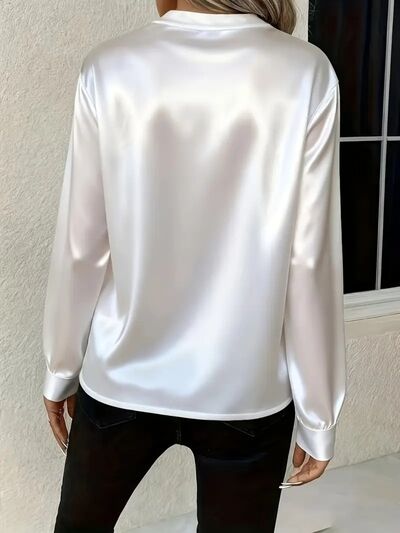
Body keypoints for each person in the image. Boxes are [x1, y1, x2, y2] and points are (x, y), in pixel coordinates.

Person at [42, 1, 347, 531]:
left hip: (122, 374)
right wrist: (318, 414)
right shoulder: (305, 73)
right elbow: (309, 259)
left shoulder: (110, 67)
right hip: (245, 388)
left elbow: (82, 245)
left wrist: (61, 366)